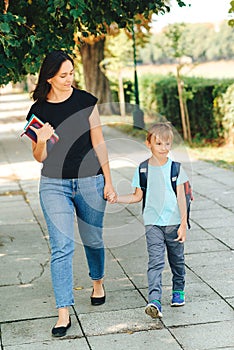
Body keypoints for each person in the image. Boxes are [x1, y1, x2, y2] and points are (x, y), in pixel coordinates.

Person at [26, 50, 116, 337]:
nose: (69, 80)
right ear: (49, 77)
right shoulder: (38, 111)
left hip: (91, 181)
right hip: (54, 184)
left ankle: (98, 282)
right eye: (63, 75)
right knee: (62, 247)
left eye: (72, 73)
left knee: (93, 239)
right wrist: (41, 140)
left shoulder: (86, 101)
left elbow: (99, 142)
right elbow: (39, 157)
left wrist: (109, 181)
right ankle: (63, 312)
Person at [109, 122, 188, 319]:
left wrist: (184, 225)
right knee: (155, 262)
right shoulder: (142, 169)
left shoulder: (176, 169)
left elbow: (182, 198)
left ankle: (179, 289)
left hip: (174, 223)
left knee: (177, 260)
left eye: (167, 144)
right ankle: (154, 300)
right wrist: (117, 198)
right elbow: (137, 196)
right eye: (159, 144)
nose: (164, 148)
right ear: (149, 144)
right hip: (153, 223)